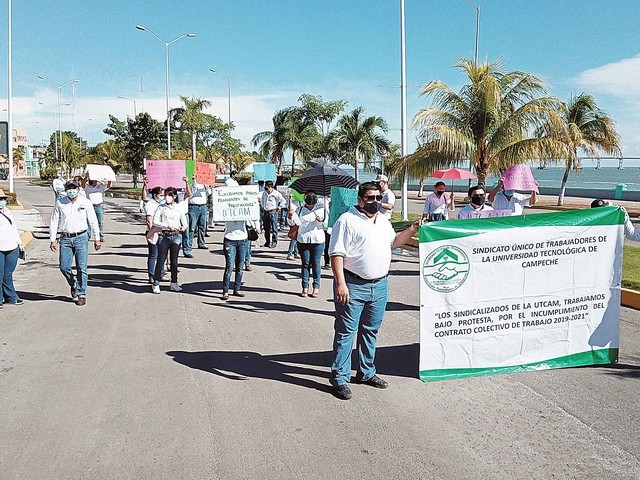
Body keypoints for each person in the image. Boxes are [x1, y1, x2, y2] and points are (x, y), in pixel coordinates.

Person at [328, 181, 420, 400]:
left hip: (379, 286)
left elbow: (394, 243)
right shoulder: (346, 221)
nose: (375, 202)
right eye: (370, 198)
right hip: (353, 285)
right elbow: (336, 255)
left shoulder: (383, 222)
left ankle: (366, 372)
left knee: (370, 331)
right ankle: (340, 377)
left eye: (378, 198)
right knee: (346, 333)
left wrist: (412, 229)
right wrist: (341, 283)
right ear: (360, 199)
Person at [49, 180, 101, 306]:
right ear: (66, 190)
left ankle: (82, 293)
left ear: (78, 189)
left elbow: (93, 220)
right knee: (64, 267)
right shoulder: (60, 202)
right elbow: (54, 221)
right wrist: (52, 239)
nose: (71, 190)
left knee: (81, 267)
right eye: (69, 188)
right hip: (65, 238)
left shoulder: (85, 202)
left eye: (74, 188)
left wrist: (97, 238)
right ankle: (74, 284)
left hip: (81, 237)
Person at [288, 190, 325, 297]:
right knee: (305, 264)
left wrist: (321, 220)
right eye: (308, 197)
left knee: (316, 263)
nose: (310, 199)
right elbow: (292, 223)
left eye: (313, 197)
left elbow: (327, 225)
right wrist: (290, 216)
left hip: (317, 240)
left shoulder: (321, 209)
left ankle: (316, 287)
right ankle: (305, 286)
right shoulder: (299, 210)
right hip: (303, 240)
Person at [151, 187, 188, 294]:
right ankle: (156, 283)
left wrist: (182, 228)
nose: (166, 197)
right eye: (165, 195)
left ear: (174, 197)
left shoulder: (179, 208)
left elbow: (184, 223)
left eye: (169, 195)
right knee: (161, 259)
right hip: (164, 235)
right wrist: (166, 225)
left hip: (176, 236)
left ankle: (174, 282)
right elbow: (155, 221)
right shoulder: (161, 207)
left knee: (174, 261)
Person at [0, 189, 25, 307]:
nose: (2, 202)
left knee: (8, 273)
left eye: (3, 199)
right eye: (0, 199)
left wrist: (20, 243)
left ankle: (11, 297)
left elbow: (13, 228)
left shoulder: (8, 212)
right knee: (0, 273)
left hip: (12, 246)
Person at [142, 179, 168, 283]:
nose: (163, 197)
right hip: (154, 233)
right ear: (155, 195)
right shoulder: (150, 204)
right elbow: (149, 220)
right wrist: (153, 232)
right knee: (153, 255)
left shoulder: (163, 204)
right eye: (161, 195)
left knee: (163, 255)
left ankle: (161, 274)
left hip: (163, 232)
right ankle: (151, 276)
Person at [221, 219, 250, 300]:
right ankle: (225, 291)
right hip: (229, 239)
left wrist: (257, 227)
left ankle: (237, 289)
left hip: (243, 239)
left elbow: (251, 218)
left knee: (240, 267)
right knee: (229, 267)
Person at [184, 178, 212, 256]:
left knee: (202, 226)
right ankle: (188, 245)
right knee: (192, 228)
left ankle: (201, 243)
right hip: (193, 207)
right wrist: (194, 182)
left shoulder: (204, 184)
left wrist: (208, 185)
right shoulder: (191, 183)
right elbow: (191, 193)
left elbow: (209, 193)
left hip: (203, 206)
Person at [82, 175, 111, 242]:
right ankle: (87, 235)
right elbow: (82, 184)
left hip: (99, 206)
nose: (96, 181)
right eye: (94, 180)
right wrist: (86, 176)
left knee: (100, 222)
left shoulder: (100, 187)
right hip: (90, 207)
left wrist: (109, 178)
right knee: (89, 222)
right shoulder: (88, 187)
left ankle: (101, 235)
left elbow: (108, 186)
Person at [260, 180, 286, 248]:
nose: (265, 187)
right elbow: (262, 200)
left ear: (270, 186)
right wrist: (262, 207)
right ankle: (267, 241)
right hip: (265, 212)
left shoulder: (276, 193)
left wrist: (278, 208)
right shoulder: (264, 193)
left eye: (266, 186)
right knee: (266, 228)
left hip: (273, 212)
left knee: (274, 228)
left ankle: (274, 242)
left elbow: (283, 201)